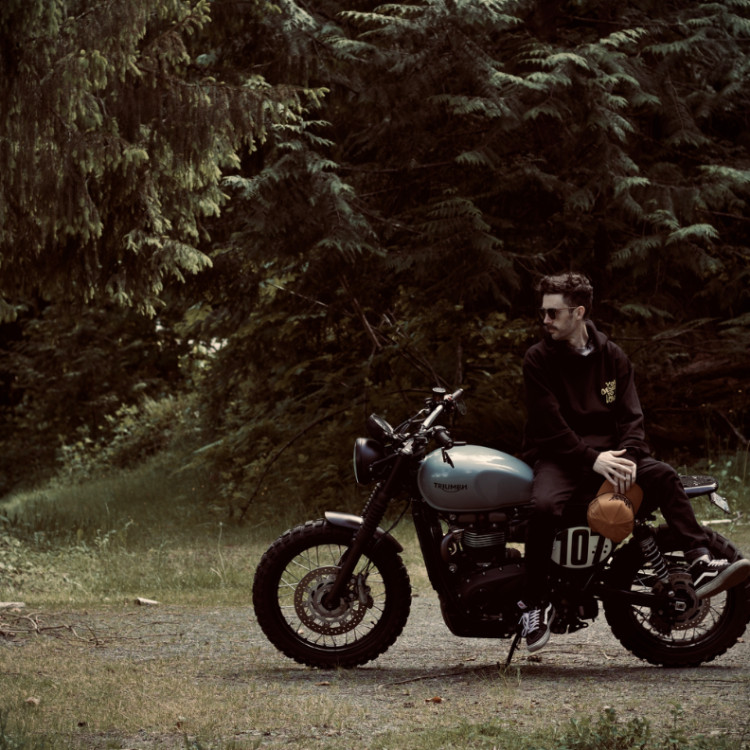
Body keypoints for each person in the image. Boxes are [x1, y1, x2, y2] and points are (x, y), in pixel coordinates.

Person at [519, 271, 750, 653]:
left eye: (553, 313)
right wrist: (592, 459)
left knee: (664, 475)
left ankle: (699, 560)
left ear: (578, 312)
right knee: (543, 507)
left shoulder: (613, 356)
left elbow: (631, 418)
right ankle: (533, 603)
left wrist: (626, 458)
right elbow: (549, 425)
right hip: (561, 456)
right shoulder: (538, 359)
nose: (545, 320)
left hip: (614, 456)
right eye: (543, 312)